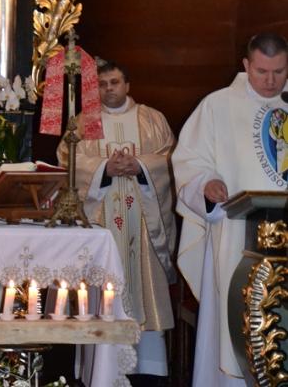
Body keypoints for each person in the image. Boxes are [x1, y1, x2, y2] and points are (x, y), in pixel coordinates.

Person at [172, 32, 288, 387]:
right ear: (246, 65)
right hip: (236, 239)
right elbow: (190, 161)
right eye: (262, 71)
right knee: (232, 327)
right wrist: (206, 185)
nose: (271, 81)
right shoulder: (217, 106)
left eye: (279, 71)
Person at [57, 60, 176, 386]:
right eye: (102, 84)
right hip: (102, 227)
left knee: (143, 293)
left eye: (115, 82)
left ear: (127, 85)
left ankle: (149, 371)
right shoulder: (83, 123)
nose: (109, 88)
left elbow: (169, 158)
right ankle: (100, 371)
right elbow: (68, 161)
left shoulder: (151, 120)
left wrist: (140, 166)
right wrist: (102, 170)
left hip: (143, 226)